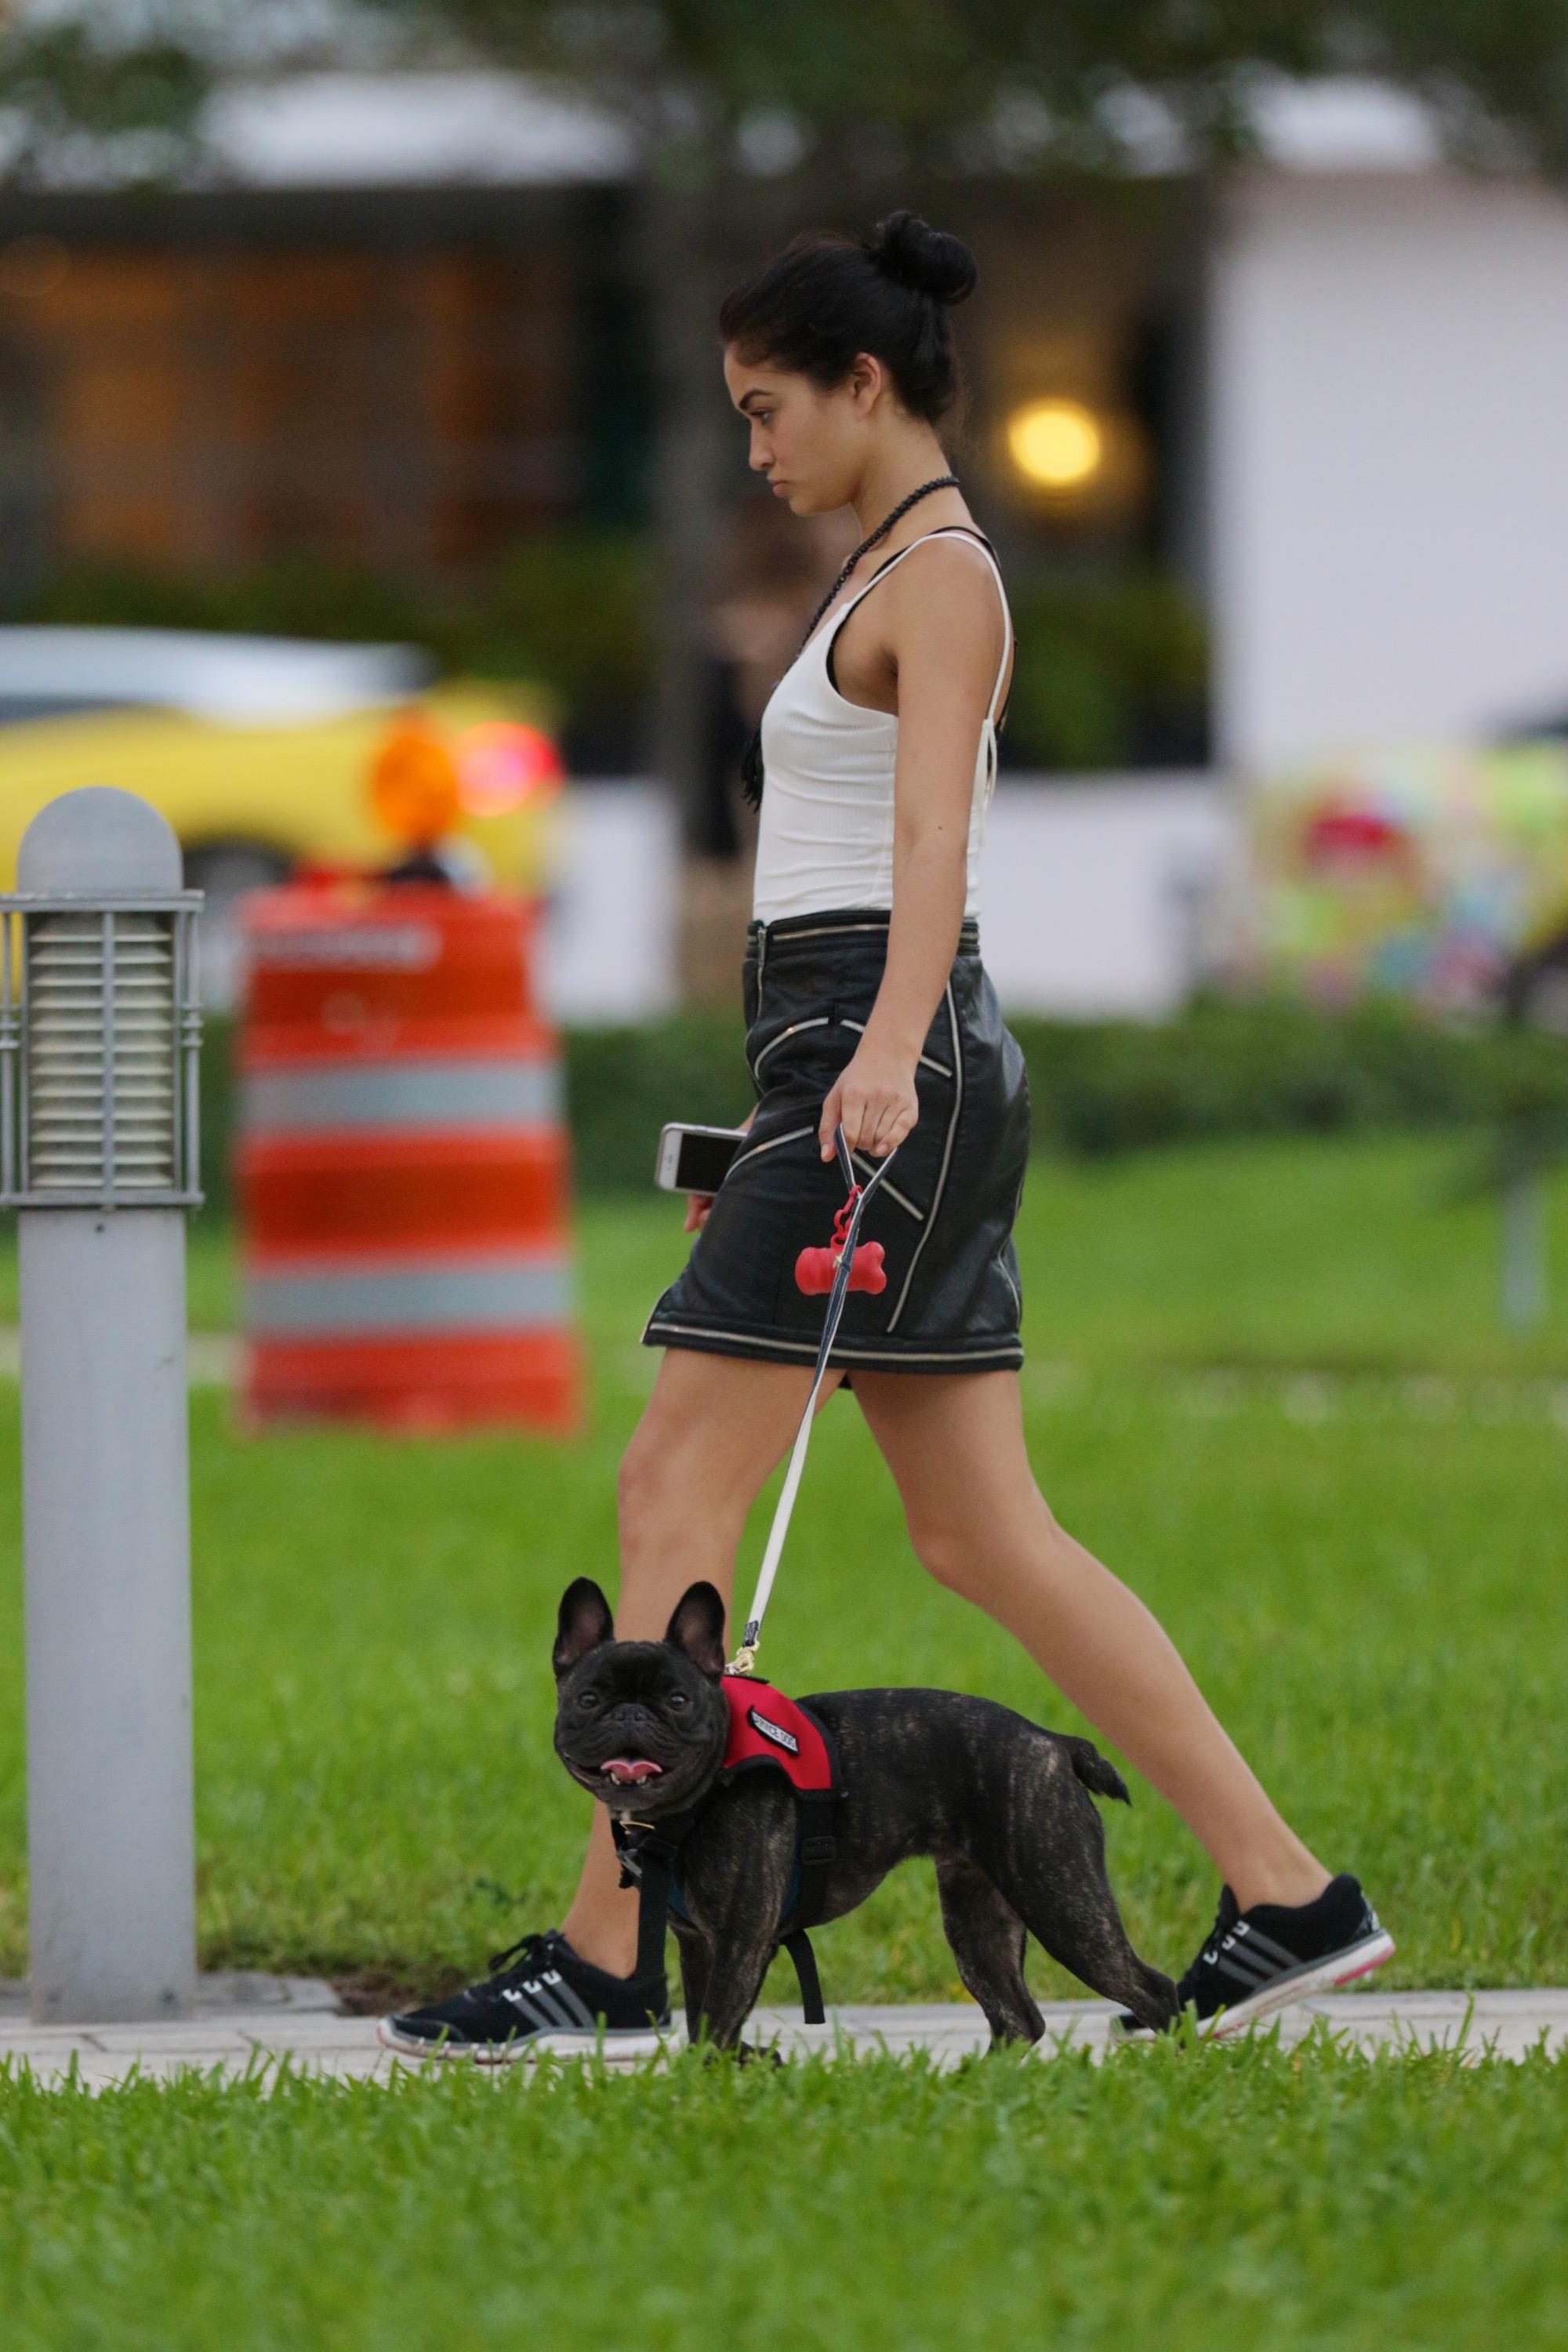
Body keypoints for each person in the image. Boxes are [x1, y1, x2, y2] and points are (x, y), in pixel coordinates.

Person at [383, 208, 1391, 2060]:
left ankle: (614, 1957)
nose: (755, 447)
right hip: (848, 1054)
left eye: (773, 408)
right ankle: (1289, 1895)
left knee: (670, 1488)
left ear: (868, 384)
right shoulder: (887, 568)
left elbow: (931, 845)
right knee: (985, 1534)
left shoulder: (941, 579)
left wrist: (881, 1061)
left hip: (877, 1061)